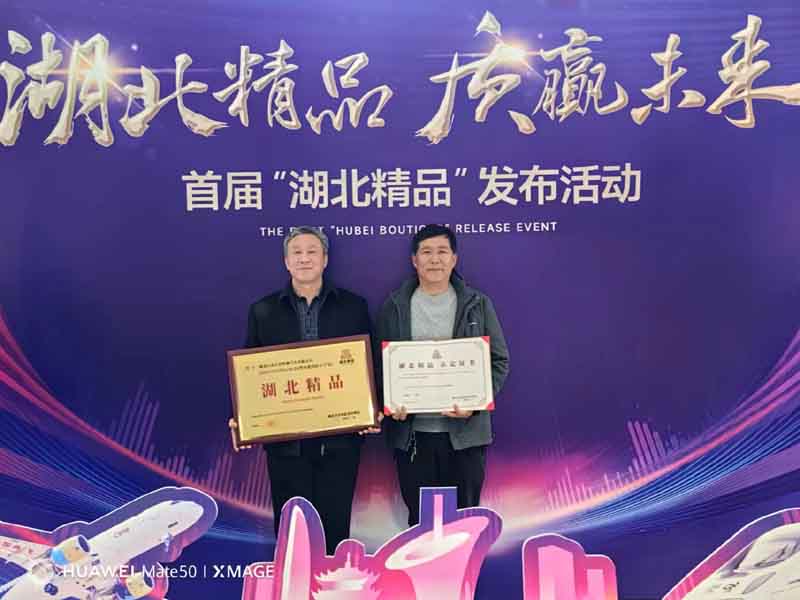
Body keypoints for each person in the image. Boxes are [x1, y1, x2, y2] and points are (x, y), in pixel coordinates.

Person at [229, 226, 376, 555]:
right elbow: (251, 373)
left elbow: (369, 367)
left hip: (340, 442)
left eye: (312, 251)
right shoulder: (263, 310)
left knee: (335, 530)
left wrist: (370, 409)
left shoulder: (353, 306)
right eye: (297, 252)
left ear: (325, 259)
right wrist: (244, 418)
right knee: (292, 533)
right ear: (286, 261)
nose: (305, 258)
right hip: (286, 446)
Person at [376, 224, 510, 526]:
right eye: (426, 252)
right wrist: (390, 402)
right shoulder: (394, 306)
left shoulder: (478, 304)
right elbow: (380, 367)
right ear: (414, 260)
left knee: (465, 523)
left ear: (454, 259)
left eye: (442, 252)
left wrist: (477, 401)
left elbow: (499, 361)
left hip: (464, 436)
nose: (434, 259)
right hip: (413, 437)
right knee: (420, 525)